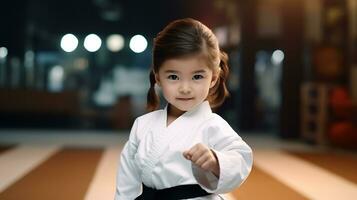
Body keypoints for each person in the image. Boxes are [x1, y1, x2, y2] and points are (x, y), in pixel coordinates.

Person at [115, 18, 253, 200]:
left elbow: (241, 159)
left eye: (197, 76)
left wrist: (216, 161)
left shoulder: (213, 126)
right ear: (158, 77)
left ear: (213, 78)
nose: (185, 88)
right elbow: (127, 181)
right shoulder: (142, 125)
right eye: (173, 76)